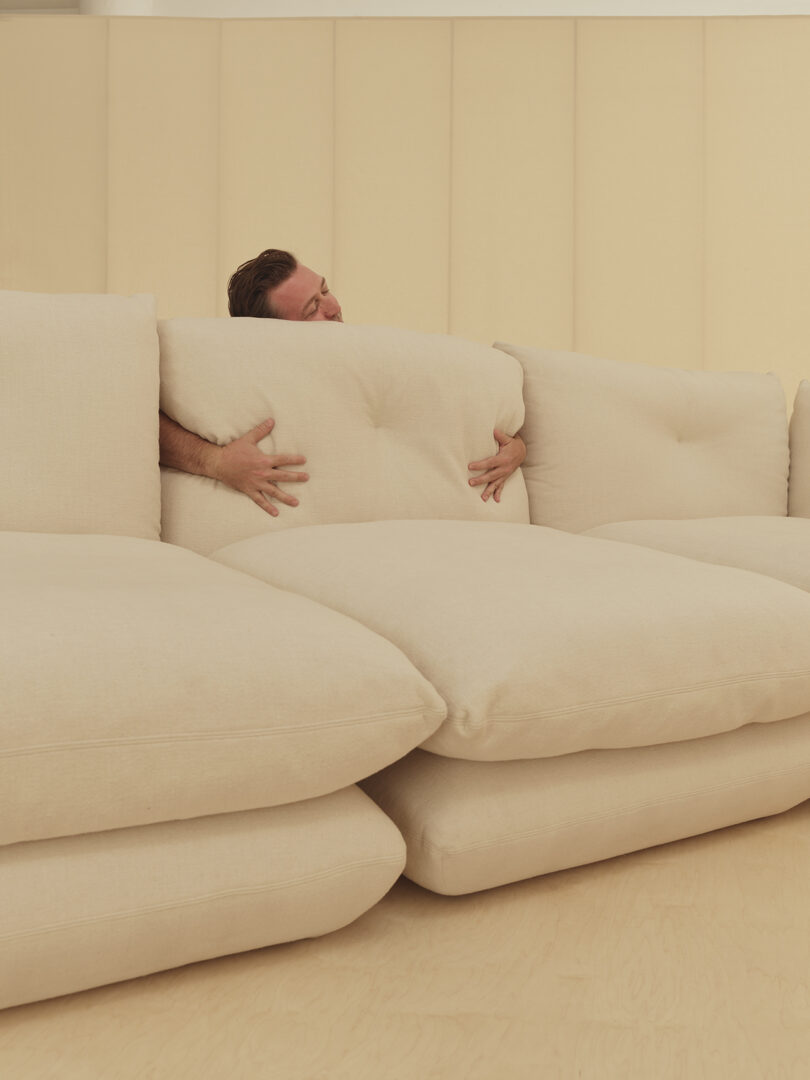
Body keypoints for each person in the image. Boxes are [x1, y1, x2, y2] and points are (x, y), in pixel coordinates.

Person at [158, 248, 526, 516]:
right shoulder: (244, 374)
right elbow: (134, 414)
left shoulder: (379, 357)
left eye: (324, 290)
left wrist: (518, 449)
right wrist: (215, 462)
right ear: (270, 332)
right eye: (311, 309)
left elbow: (451, 410)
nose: (333, 307)